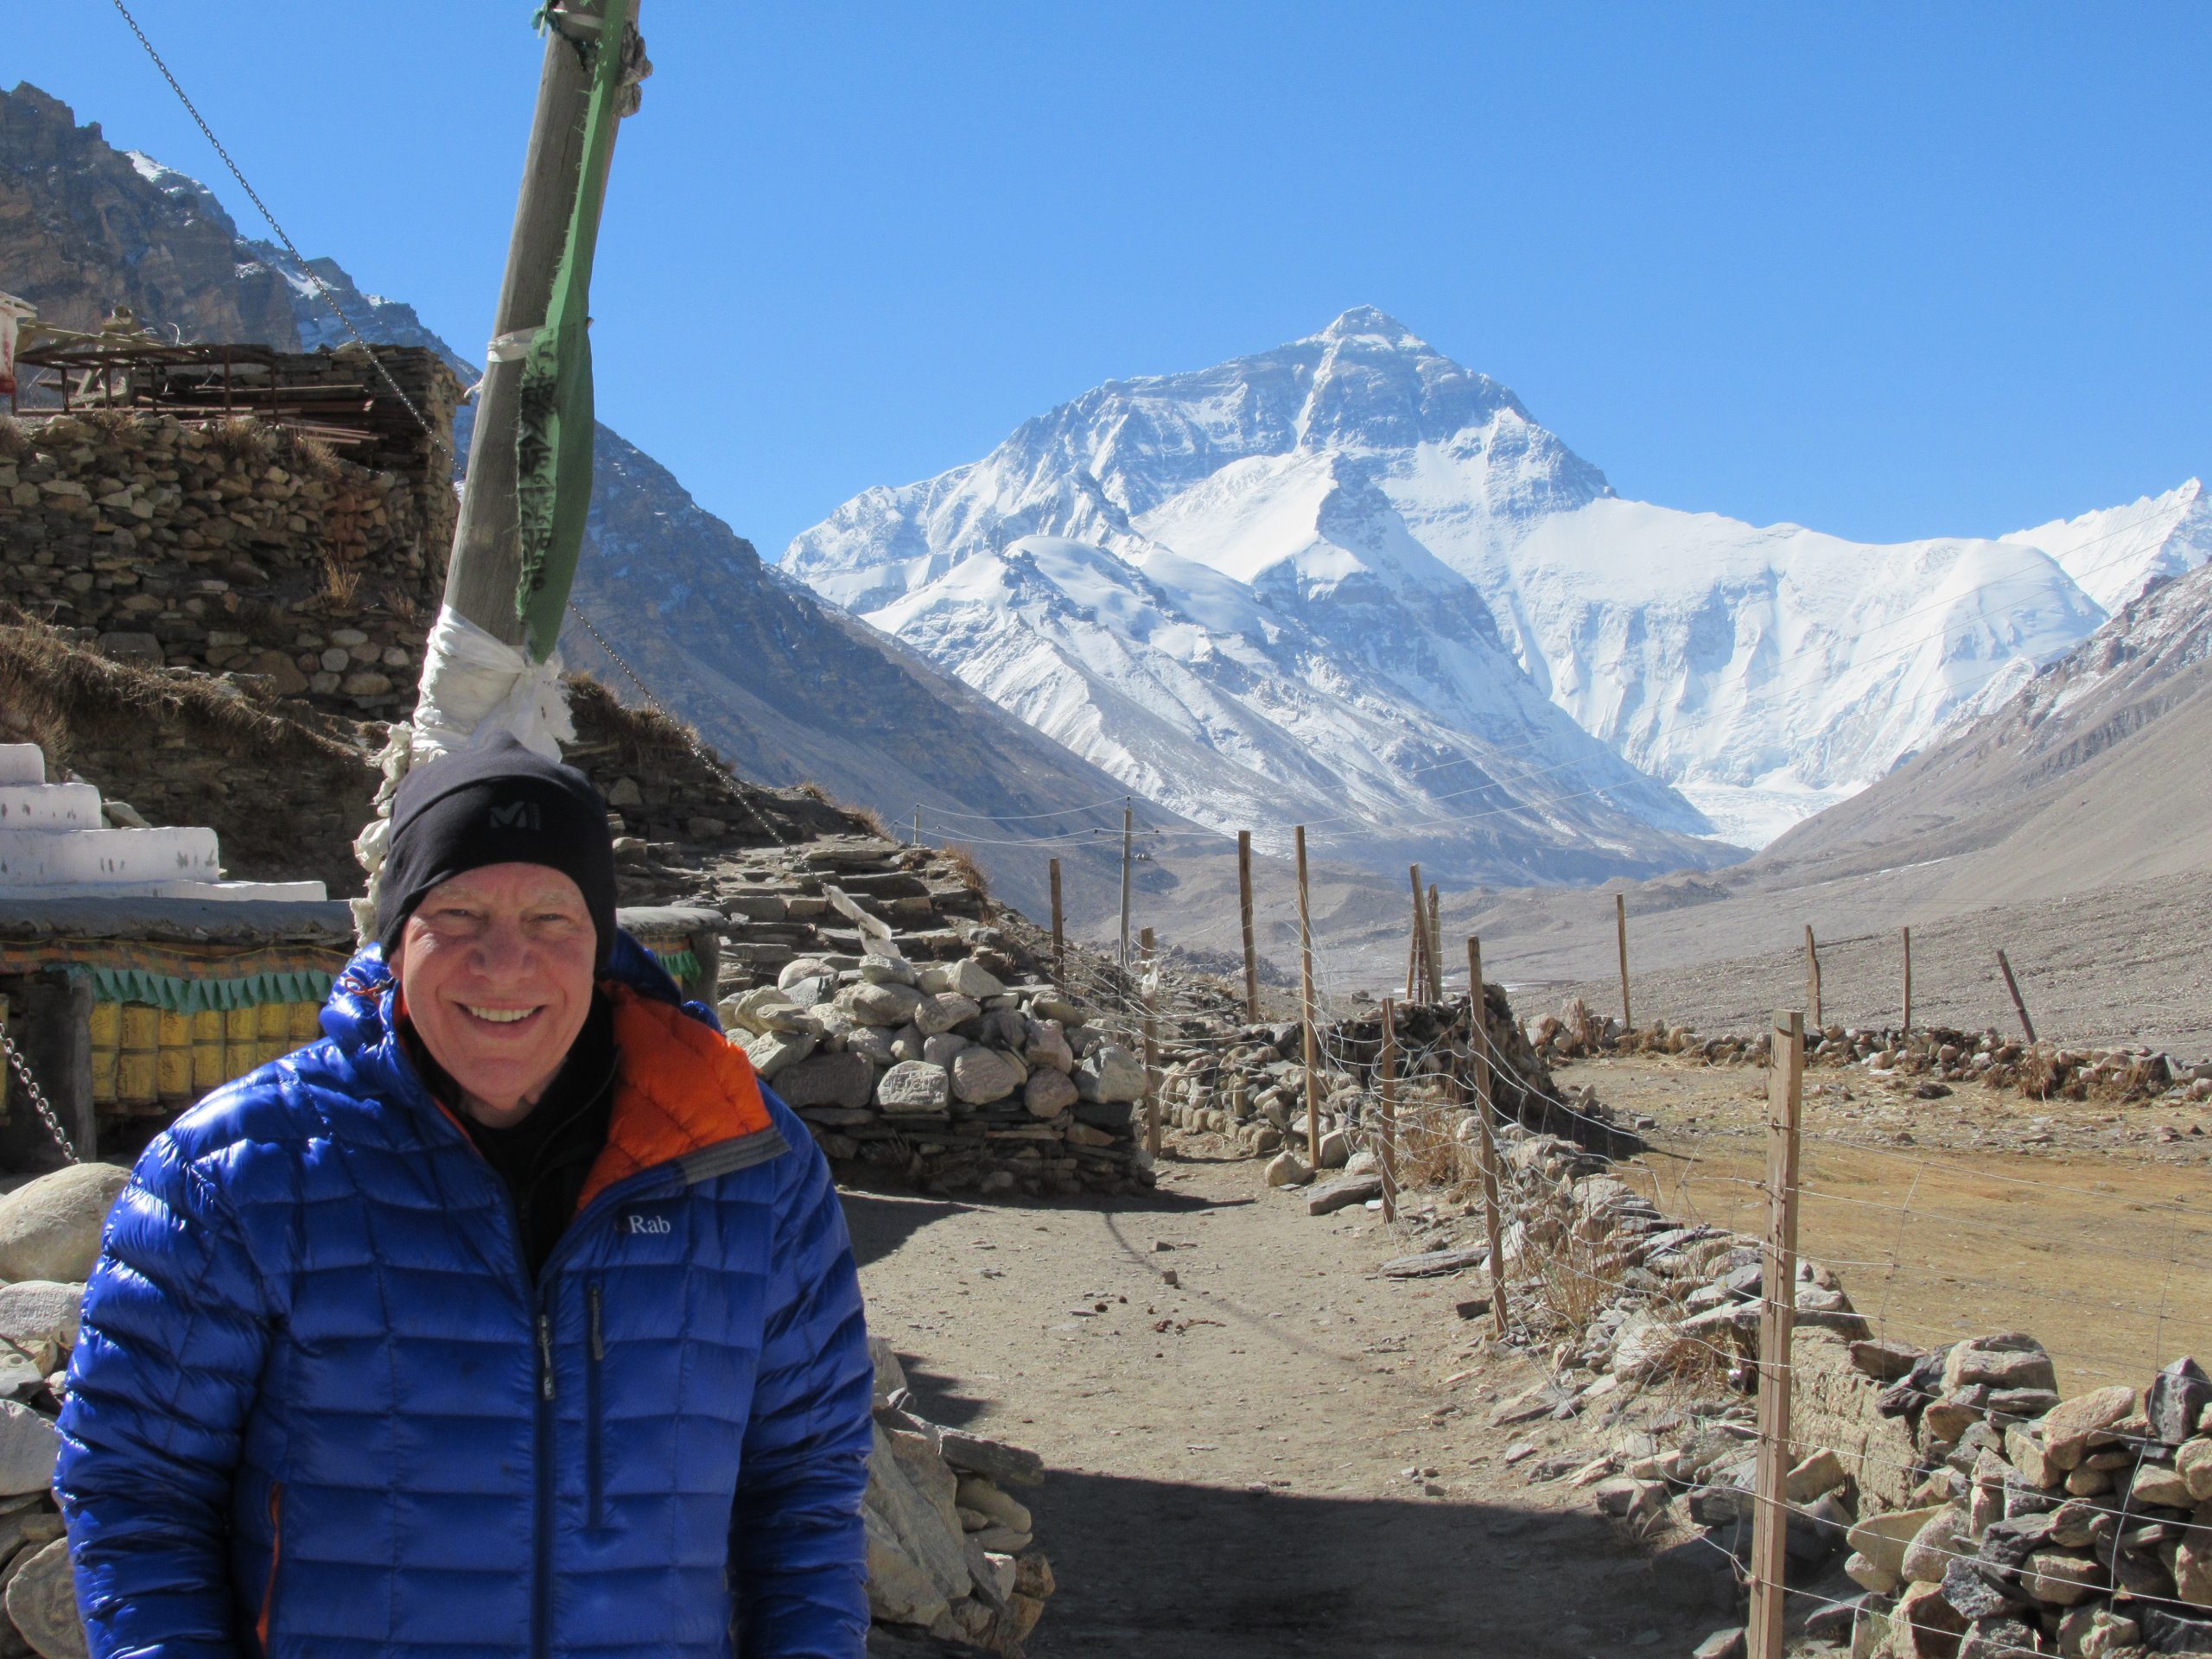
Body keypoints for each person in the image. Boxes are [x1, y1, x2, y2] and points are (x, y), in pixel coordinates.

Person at [54, 734, 874, 1659]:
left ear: (601, 945)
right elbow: (137, 1490)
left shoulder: (743, 1165)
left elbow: (805, 1489)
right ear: (397, 938)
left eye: (550, 920)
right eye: (457, 913)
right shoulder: (243, 1171)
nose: (503, 963)